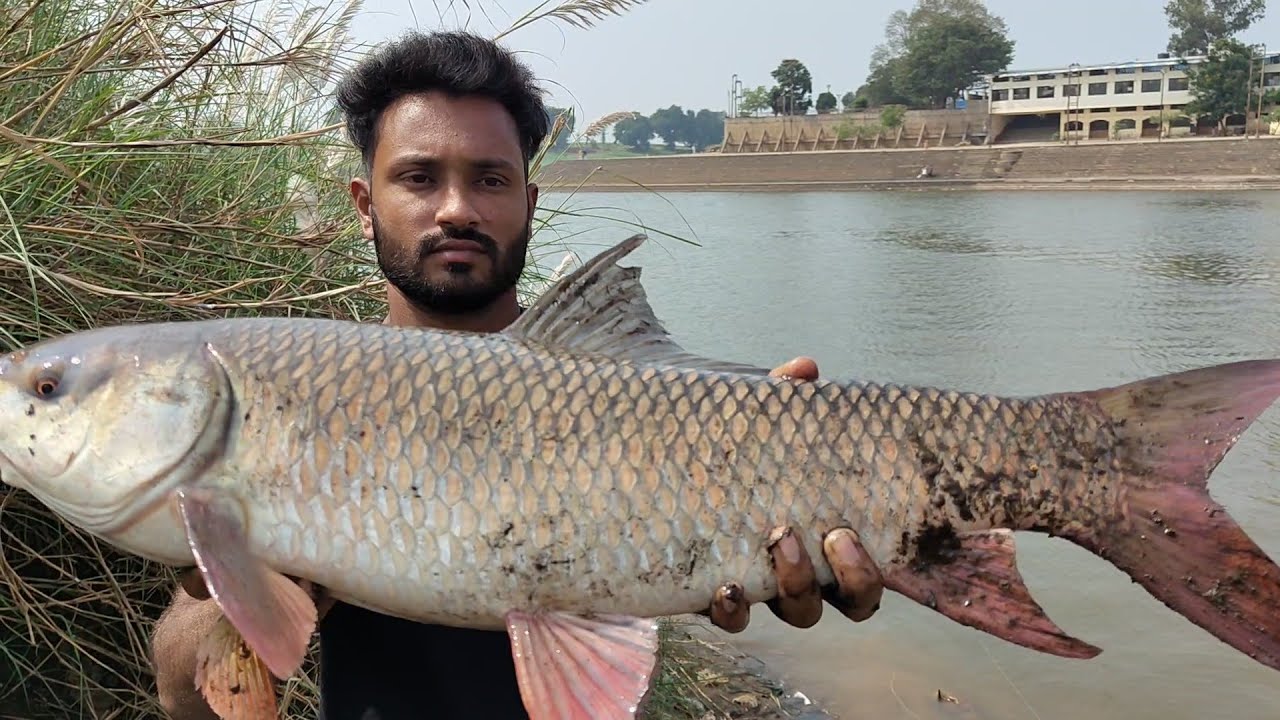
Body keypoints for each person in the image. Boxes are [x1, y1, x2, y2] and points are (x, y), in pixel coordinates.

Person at [150, 29, 886, 720]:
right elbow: (181, 692)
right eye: (418, 177)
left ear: (528, 204)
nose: (457, 209)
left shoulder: (633, 393)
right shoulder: (303, 399)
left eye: (491, 180)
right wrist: (263, 582)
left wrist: (788, 450)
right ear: (365, 205)